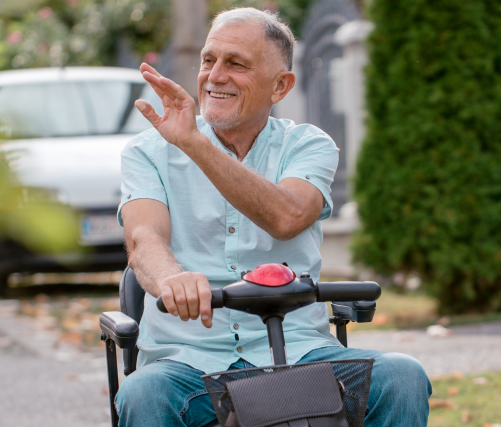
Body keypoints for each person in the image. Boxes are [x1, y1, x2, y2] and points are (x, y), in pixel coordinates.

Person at [114, 7, 432, 427]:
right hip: (187, 365)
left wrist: (194, 144)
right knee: (142, 394)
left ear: (280, 86)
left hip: (304, 356)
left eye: (236, 64)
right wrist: (171, 279)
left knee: (402, 377)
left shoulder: (309, 145)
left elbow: (288, 215)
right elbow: (144, 239)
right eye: (209, 60)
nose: (215, 75)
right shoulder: (146, 152)